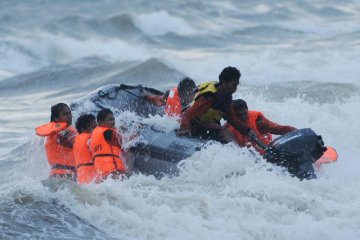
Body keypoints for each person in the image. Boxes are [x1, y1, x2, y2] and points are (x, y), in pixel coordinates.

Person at [177, 67, 254, 142]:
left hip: (204, 124)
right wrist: (185, 128)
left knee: (225, 132)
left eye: (237, 85)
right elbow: (188, 114)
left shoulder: (227, 97)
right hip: (192, 124)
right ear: (224, 83)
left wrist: (247, 130)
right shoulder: (209, 96)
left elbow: (232, 119)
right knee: (225, 133)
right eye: (233, 85)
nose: (236, 88)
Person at [228, 99, 297, 154]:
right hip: (249, 158)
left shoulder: (257, 120)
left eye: (245, 113)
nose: (243, 117)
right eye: (239, 115)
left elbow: (279, 129)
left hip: (268, 151)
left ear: (247, 110)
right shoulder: (228, 127)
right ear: (233, 116)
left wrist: (297, 132)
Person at [35, 103, 77, 180]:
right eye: (65, 114)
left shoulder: (51, 134)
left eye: (69, 113)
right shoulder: (65, 132)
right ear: (56, 118)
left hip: (54, 175)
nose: (69, 116)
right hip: (66, 175)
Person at [90, 108, 125, 181]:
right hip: (113, 172)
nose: (113, 122)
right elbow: (125, 141)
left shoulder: (95, 134)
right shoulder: (107, 133)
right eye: (110, 120)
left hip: (103, 175)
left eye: (113, 119)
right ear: (101, 122)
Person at [73, 113, 97, 184]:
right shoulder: (90, 138)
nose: (96, 129)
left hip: (81, 177)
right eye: (93, 127)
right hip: (92, 176)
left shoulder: (76, 141)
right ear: (84, 129)